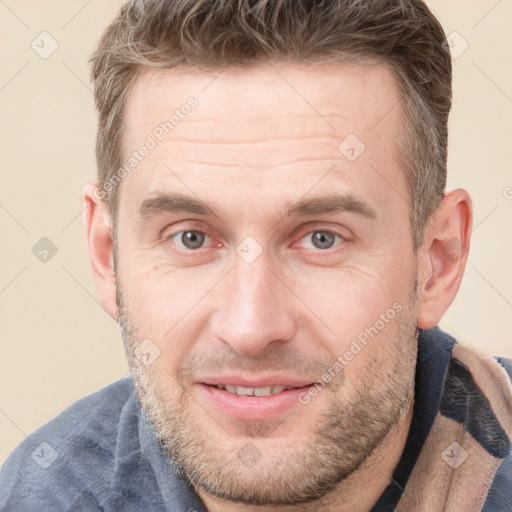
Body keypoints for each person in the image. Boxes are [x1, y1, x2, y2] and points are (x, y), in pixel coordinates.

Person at [1, 0, 511, 510]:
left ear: (438, 261)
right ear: (108, 257)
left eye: (322, 238)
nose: (250, 329)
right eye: (191, 238)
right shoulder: (37, 495)